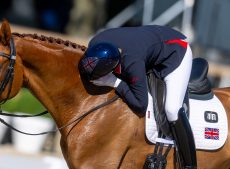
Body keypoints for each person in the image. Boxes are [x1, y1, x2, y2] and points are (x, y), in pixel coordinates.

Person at [79, 25, 196, 168]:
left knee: (172, 109)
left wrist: (115, 82)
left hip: (176, 51)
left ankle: (190, 165)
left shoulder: (132, 63)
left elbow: (141, 104)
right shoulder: (95, 42)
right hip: (149, 41)